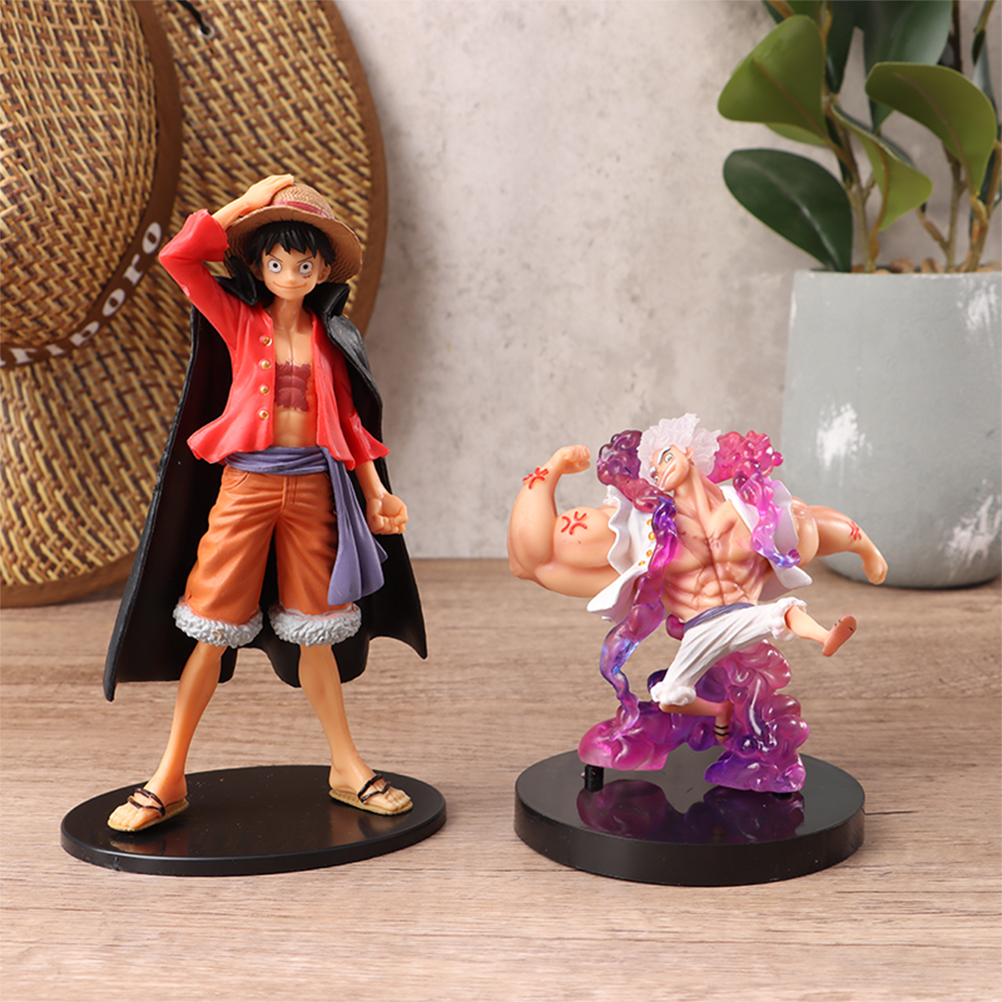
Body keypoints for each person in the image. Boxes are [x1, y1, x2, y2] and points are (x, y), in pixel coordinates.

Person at [106, 175, 424, 831]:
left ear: (323, 269)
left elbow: (352, 427)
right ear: (257, 266)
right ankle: (169, 775)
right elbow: (179, 258)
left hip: (313, 490)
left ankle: (346, 766)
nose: (291, 274)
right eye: (277, 262)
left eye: (304, 264)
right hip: (246, 487)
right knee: (210, 628)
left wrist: (377, 492)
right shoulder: (237, 320)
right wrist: (248, 206)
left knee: (318, 629)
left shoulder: (332, 339)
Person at [508, 414, 887, 744]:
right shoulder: (646, 531)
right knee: (669, 695)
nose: (661, 471)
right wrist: (552, 469)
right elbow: (531, 560)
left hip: (743, 614)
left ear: (689, 452)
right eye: (654, 471)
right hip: (700, 626)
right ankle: (719, 710)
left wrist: (866, 549)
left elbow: (814, 525)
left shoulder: (751, 509)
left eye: (666, 457)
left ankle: (825, 636)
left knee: (782, 612)